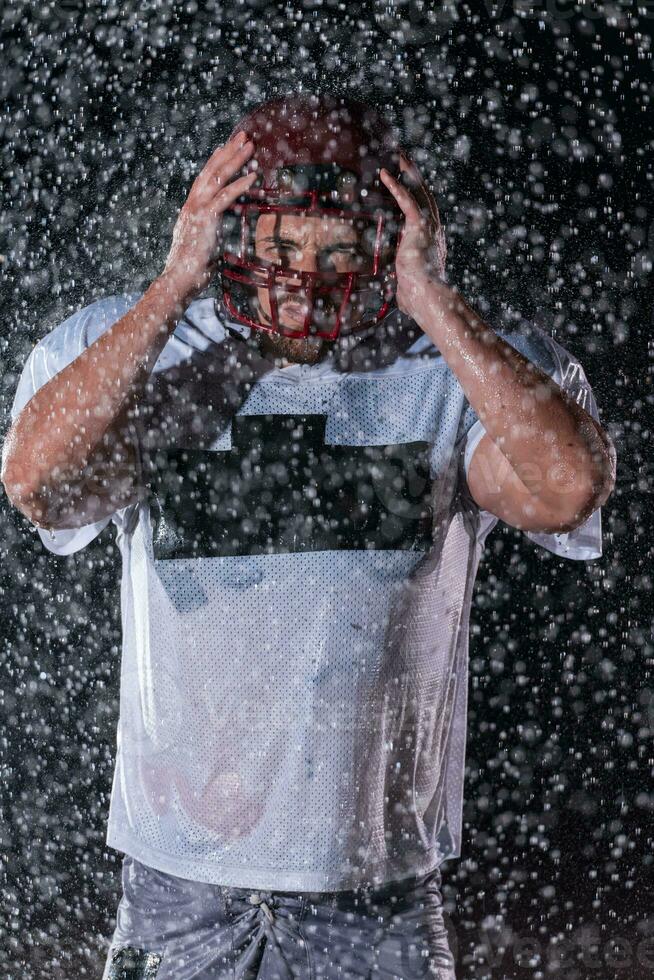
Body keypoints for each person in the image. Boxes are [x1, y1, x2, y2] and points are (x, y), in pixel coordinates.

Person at [2, 94, 616, 980]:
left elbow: (568, 487)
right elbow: (36, 484)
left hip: (376, 885)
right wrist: (174, 285)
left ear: (389, 243)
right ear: (227, 231)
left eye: (338, 252)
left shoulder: (457, 369)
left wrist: (433, 301)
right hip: (182, 882)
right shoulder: (130, 348)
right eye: (281, 247)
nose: (304, 283)